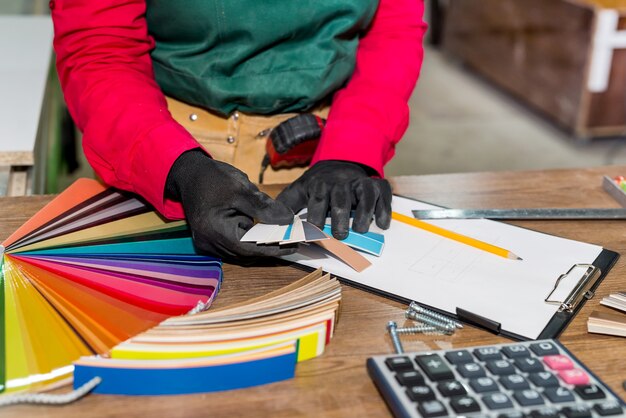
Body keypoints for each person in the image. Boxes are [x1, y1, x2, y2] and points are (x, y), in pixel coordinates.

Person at [50, 0, 426, 261]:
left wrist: (353, 147)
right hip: (160, 142)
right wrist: (178, 168)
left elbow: (392, 30)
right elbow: (100, 46)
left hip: (325, 141)